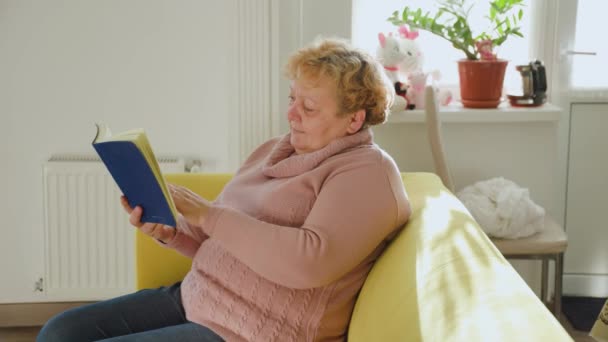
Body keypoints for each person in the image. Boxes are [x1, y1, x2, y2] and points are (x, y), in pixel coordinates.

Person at [38, 37, 411, 342]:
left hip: (251, 329)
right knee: (58, 332)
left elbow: (310, 263)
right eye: (291, 99)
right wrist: (172, 233)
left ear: (354, 119)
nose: (292, 114)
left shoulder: (367, 173)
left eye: (309, 107)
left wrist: (208, 214)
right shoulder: (272, 150)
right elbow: (215, 240)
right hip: (197, 294)